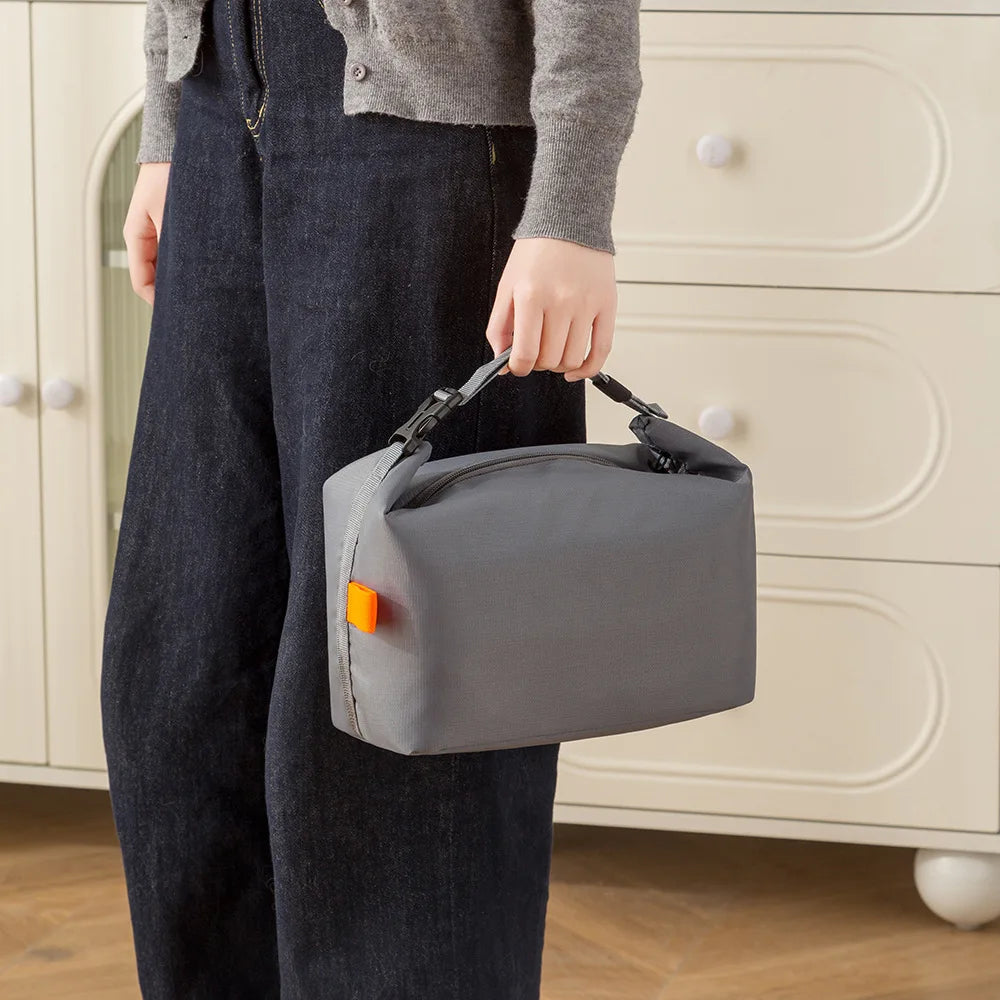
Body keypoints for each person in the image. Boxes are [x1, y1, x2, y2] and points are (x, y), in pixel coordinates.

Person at [101, 0, 642, 995]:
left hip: (423, 147)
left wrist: (569, 205)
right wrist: (170, 124)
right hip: (218, 106)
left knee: (397, 689)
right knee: (185, 668)